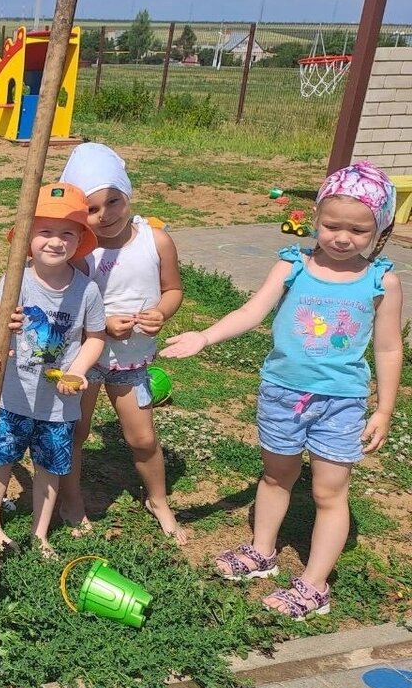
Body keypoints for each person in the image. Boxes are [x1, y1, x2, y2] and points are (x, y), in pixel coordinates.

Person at [161, 161, 403, 619]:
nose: (342, 237)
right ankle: (262, 551)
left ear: (381, 229)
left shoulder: (381, 281)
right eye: (332, 224)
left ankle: (314, 585)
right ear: (315, 218)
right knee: (276, 476)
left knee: (331, 492)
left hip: (341, 403)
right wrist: (205, 336)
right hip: (281, 394)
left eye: (358, 229)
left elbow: (389, 349)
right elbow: (252, 312)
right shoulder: (293, 266)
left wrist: (384, 408)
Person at [55, 143, 188, 543]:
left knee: (143, 438)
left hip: (133, 362)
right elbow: (66, 302)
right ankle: (71, 500)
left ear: (127, 194)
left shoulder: (156, 240)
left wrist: (162, 313)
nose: (105, 215)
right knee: (77, 431)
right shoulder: (80, 251)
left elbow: (173, 289)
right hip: (86, 357)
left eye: (114, 201)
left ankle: (158, 499)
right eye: (92, 209)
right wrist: (101, 324)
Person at [0, 184, 106, 557]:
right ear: (27, 237)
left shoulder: (86, 291)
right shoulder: (15, 281)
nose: (55, 241)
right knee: (1, 458)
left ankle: (39, 533)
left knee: (48, 467)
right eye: (45, 231)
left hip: (59, 404)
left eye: (67, 232)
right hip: (13, 395)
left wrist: (78, 370)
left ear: (81, 238)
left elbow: (96, 337)